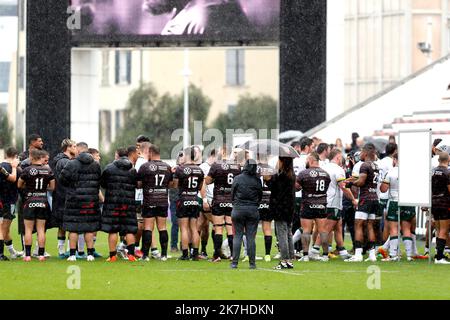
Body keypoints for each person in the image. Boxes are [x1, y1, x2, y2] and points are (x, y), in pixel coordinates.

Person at [60, 143, 102, 262]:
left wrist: (72, 187)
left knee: (73, 228)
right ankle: (90, 254)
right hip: (90, 200)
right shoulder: (95, 165)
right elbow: (99, 181)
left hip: (74, 200)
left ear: (78, 150)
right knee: (89, 227)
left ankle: (72, 254)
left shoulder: (71, 164)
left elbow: (62, 179)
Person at [316, 149, 356, 259]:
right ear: (338, 157)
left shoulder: (323, 167)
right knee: (326, 229)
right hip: (333, 202)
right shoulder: (338, 169)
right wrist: (353, 199)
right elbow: (342, 187)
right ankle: (314, 251)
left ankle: (342, 251)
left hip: (323, 200)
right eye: (341, 158)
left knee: (338, 226)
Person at [137, 143, 173, 261]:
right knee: (162, 227)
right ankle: (163, 255)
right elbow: (171, 184)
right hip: (162, 201)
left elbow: (138, 184)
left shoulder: (145, 166)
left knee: (148, 227)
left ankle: (146, 255)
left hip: (149, 201)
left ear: (150, 153)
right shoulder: (167, 167)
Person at [101, 148, 138, 262]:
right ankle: (131, 255)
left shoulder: (109, 168)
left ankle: (112, 256)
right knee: (129, 229)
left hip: (113, 203)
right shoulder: (132, 169)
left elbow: (103, 184)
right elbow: (135, 184)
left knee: (113, 229)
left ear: (117, 155)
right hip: (128, 203)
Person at [205, 144, 241, 262]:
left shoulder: (216, 165)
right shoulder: (236, 166)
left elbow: (208, 181)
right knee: (230, 229)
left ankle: (217, 255)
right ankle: (232, 255)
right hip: (231, 201)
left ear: (223, 152)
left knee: (218, 228)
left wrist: (215, 178)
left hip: (219, 200)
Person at [18, 149, 55, 262]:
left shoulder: (27, 170)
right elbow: (52, 187)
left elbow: (19, 185)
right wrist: (43, 190)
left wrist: (29, 189)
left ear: (32, 158)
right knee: (41, 229)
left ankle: (28, 255)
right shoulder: (48, 170)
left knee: (28, 229)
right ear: (40, 157)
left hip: (30, 201)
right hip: (43, 201)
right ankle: (41, 255)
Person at [345, 143, 380, 262]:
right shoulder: (375, 165)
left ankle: (358, 254)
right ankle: (372, 255)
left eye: (361, 152)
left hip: (365, 198)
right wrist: (354, 179)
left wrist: (350, 183)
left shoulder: (364, 165)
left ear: (365, 153)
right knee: (370, 226)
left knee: (358, 225)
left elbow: (361, 182)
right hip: (374, 198)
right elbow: (366, 180)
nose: (359, 154)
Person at [173, 146, 207, 261]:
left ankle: (185, 255)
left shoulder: (180, 169)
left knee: (184, 228)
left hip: (183, 199)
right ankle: (195, 254)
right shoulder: (200, 170)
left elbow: (175, 185)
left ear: (187, 155)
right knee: (194, 228)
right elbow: (200, 186)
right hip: (194, 199)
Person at [380, 154, 415, 261]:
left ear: (395, 160)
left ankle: (393, 254)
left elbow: (383, 189)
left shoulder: (391, 172)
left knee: (393, 228)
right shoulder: (410, 171)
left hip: (394, 201)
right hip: (407, 201)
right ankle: (409, 255)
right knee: (406, 228)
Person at [296, 152, 331, 262]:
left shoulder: (303, 173)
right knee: (323, 231)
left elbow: (296, 188)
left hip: (307, 204)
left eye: (307, 159)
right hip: (321, 204)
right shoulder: (326, 174)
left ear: (311, 160)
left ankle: (305, 255)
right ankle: (325, 255)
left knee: (306, 230)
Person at [230, 159, 262, 269]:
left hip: (238, 209)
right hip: (253, 209)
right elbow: (260, 195)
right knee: (251, 237)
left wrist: (236, 204)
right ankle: (252, 264)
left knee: (237, 236)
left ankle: (234, 263)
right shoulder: (257, 180)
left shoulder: (237, 178)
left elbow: (232, 193)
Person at [49, 139, 78, 258]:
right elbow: (68, 179)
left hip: (60, 195)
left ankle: (63, 250)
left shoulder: (60, 160)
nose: (76, 149)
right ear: (68, 148)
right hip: (65, 195)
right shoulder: (64, 162)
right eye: (74, 146)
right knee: (68, 224)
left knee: (62, 224)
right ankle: (65, 251)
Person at [267, 157, 296, 269]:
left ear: (283, 162)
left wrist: (269, 177)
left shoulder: (281, 176)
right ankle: (289, 259)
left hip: (280, 208)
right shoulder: (291, 175)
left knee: (282, 234)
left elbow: (272, 186)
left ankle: (284, 260)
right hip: (289, 207)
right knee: (288, 232)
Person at [376, 142, 397, 257]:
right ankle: (384, 248)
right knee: (389, 224)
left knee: (382, 223)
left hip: (380, 195)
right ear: (394, 151)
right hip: (389, 195)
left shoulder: (380, 162)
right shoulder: (391, 163)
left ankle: (382, 247)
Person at [0, 147, 21, 260]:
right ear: (15, 156)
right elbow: (14, 180)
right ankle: (1, 254)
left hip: (2, 200)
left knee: (5, 229)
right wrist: (15, 167)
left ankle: (12, 252)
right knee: (3, 229)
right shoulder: (13, 168)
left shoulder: (2, 165)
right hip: (8, 201)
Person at [430, 152, 450, 264]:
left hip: (434, 203)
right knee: (444, 230)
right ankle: (439, 257)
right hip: (444, 204)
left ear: (438, 160)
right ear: (448, 159)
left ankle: (438, 254)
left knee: (438, 230)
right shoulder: (448, 172)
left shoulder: (433, 172)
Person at [256, 154, 275, 262]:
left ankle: (250, 254)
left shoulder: (255, 169)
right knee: (267, 228)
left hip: (257, 200)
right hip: (269, 200)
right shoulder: (272, 169)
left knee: (251, 229)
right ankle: (267, 255)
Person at [198, 148, 216, 258]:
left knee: (205, 227)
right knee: (212, 224)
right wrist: (204, 199)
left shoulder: (216, 167)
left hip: (214, 199)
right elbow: (201, 184)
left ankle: (203, 250)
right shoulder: (203, 167)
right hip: (204, 199)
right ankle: (216, 251)